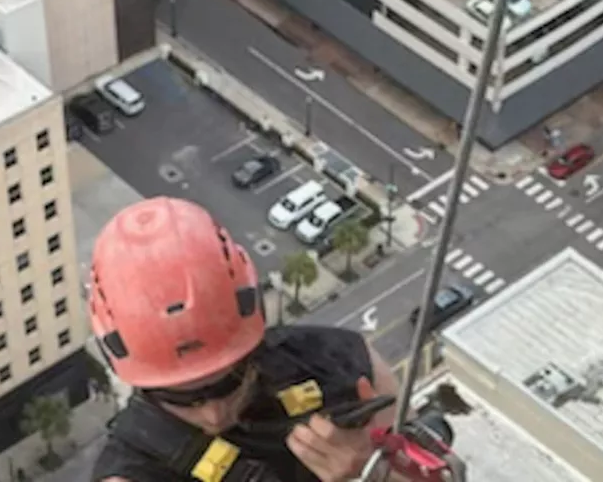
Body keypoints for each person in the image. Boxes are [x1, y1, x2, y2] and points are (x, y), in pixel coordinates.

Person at [90, 197, 402, 482]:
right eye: (180, 398)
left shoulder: (340, 367)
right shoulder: (136, 473)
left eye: (227, 382)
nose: (212, 413)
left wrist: (376, 473)